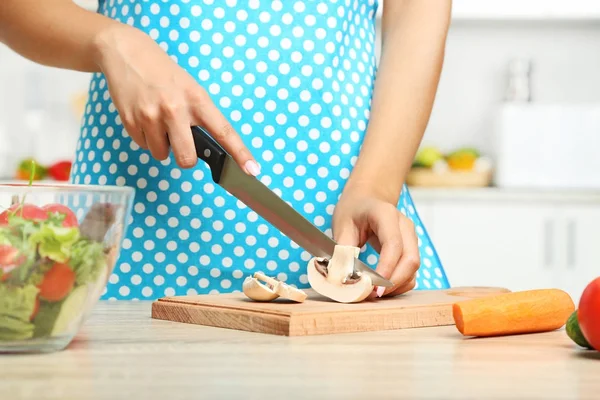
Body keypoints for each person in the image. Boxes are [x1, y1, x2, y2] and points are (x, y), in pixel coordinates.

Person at [0, 0, 452, 300]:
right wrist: (111, 42)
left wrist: (376, 183)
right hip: (138, 224)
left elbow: (418, 14)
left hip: (349, 216)